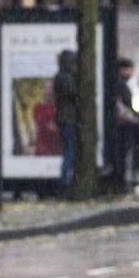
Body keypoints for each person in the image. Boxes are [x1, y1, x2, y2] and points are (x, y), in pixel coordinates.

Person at [107, 57, 139, 194]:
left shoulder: (117, 83)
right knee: (121, 154)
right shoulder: (121, 85)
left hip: (120, 125)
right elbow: (123, 106)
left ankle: (118, 181)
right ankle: (119, 181)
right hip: (122, 126)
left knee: (120, 154)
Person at [52, 49, 78, 191]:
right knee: (69, 150)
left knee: (68, 149)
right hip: (69, 118)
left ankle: (66, 179)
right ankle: (65, 180)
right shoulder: (67, 77)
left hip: (64, 118)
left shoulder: (60, 76)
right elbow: (74, 94)